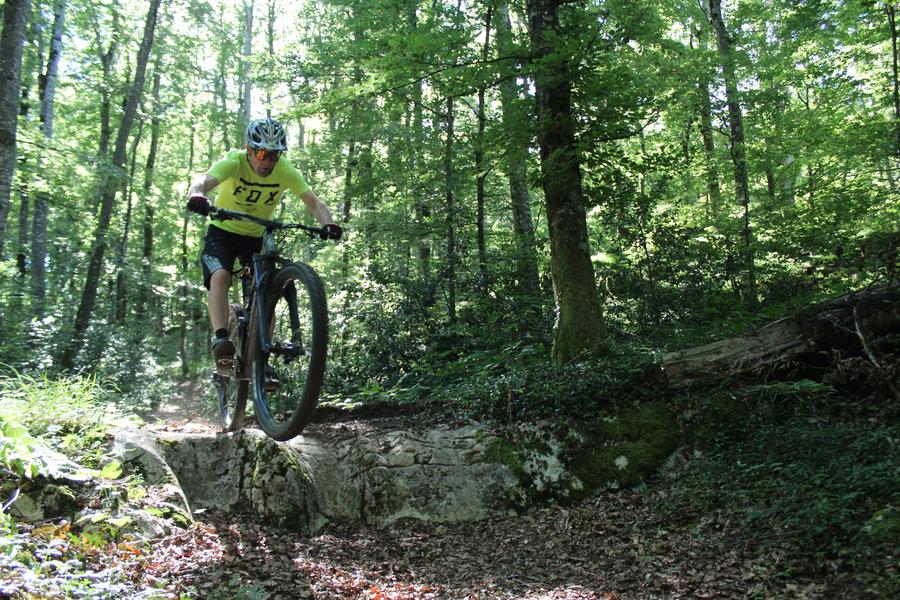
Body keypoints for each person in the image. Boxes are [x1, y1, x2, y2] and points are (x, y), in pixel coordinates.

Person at [186, 117, 342, 372]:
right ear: (249, 149)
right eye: (262, 153)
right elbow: (202, 180)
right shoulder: (234, 162)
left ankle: (262, 361)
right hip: (222, 231)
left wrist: (329, 224)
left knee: (266, 293)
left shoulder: (284, 170)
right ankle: (222, 340)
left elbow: (314, 202)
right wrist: (197, 194)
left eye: (274, 155)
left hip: (255, 235)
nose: (268, 161)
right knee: (221, 276)